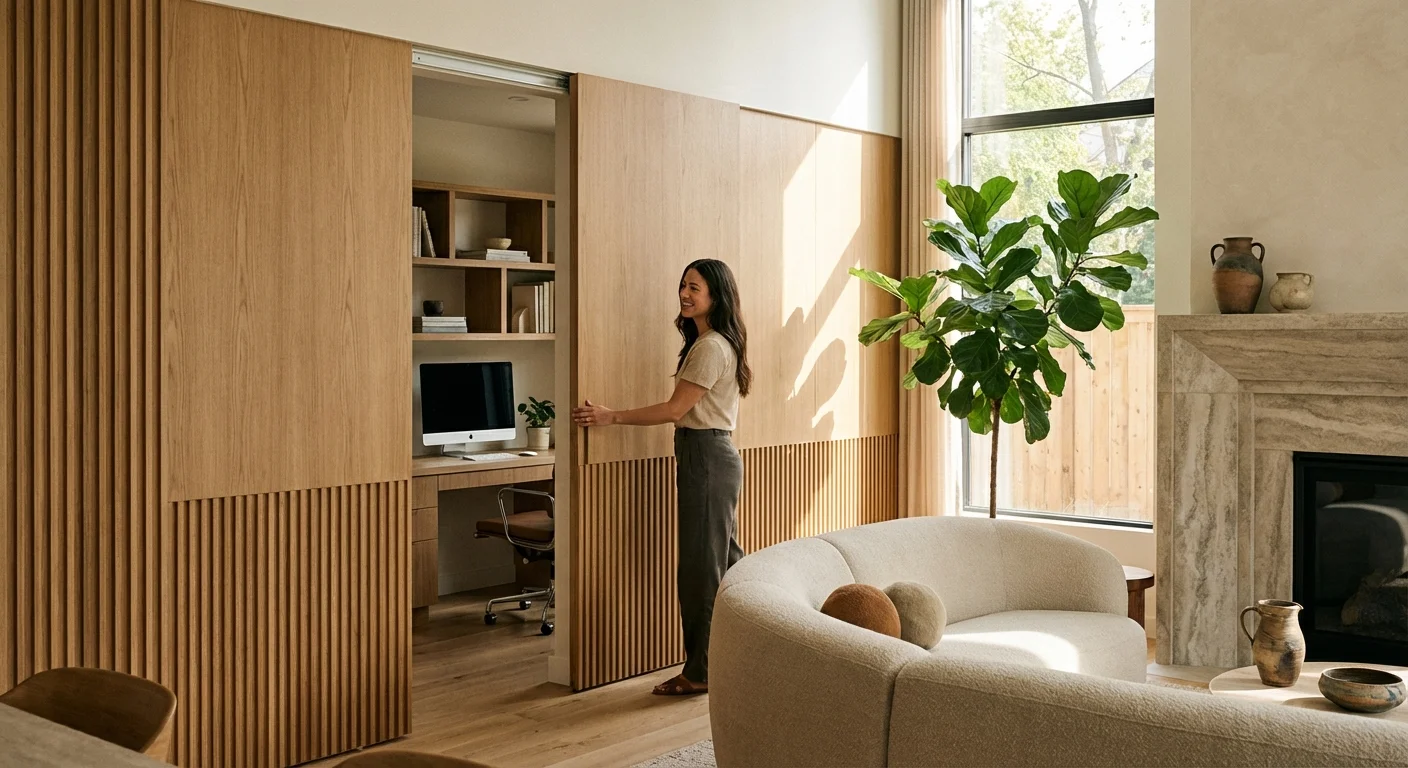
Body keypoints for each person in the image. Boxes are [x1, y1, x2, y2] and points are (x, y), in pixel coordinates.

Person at [571, 258, 752, 696]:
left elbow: (675, 410)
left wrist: (610, 416)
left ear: (715, 296)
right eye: (682, 286)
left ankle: (702, 671)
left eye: (694, 287)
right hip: (705, 454)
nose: (685, 294)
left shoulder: (710, 346)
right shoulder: (712, 342)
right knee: (726, 562)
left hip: (705, 455)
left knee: (700, 570)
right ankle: (751, 648)